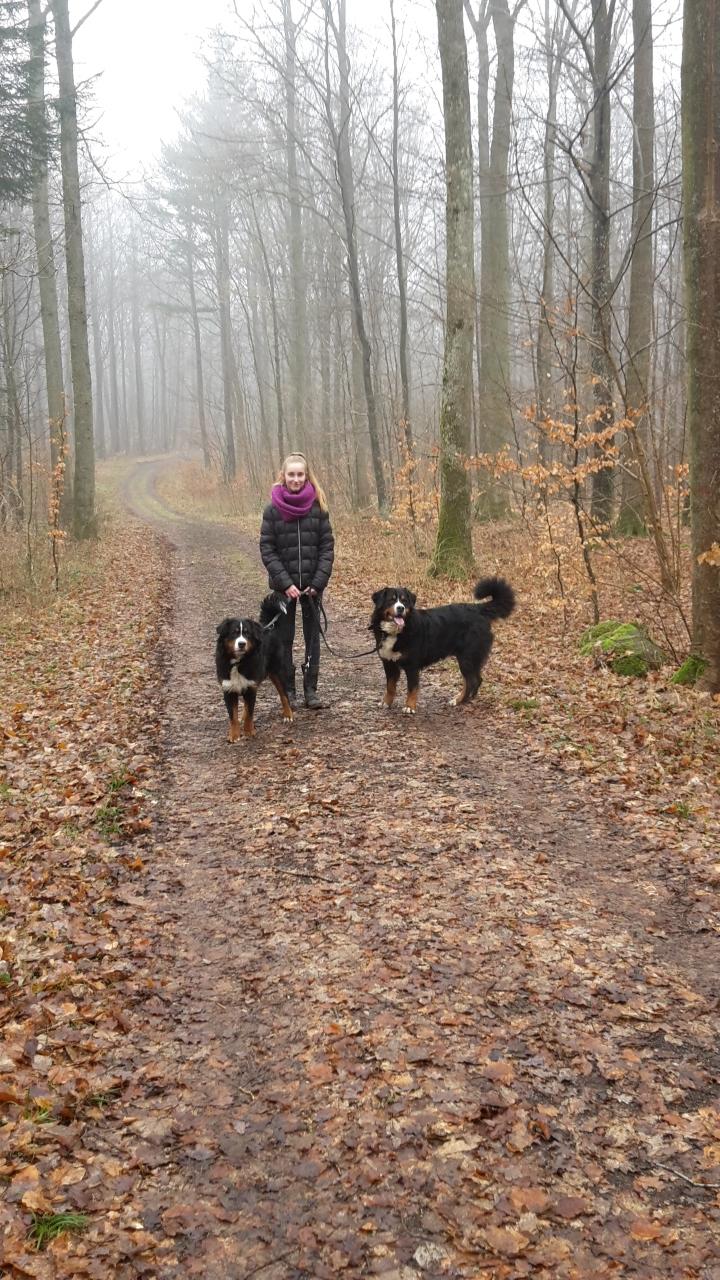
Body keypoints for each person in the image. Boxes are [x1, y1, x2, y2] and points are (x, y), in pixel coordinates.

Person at [259, 452, 334, 710]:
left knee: (313, 638)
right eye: (291, 474)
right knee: (284, 638)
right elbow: (267, 549)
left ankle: (310, 690)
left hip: (313, 586)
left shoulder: (319, 507)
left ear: (306, 475)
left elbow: (327, 548)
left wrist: (318, 582)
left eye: (300, 474)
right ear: (284, 476)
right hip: (284, 587)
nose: (296, 479)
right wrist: (285, 583)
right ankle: (288, 690)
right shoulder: (272, 510)